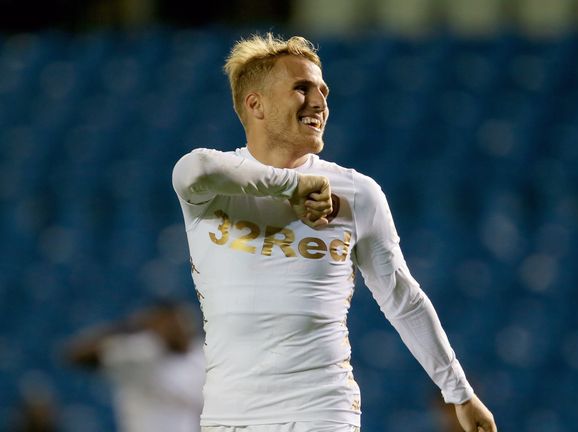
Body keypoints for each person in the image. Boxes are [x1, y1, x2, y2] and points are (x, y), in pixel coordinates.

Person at [171, 33, 497, 432]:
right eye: (301, 88)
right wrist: (292, 186)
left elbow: (402, 299)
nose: (320, 102)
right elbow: (194, 168)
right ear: (255, 103)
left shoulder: (357, 193)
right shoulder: (212, 184)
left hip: (322, 411)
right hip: (229, 417)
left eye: (323, 91)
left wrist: (459, 393)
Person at [65, 300, 205, 432]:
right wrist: (128, 328)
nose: (171, 328)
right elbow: (76, 355)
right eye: (164, 323)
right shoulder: (140, 352)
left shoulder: (205, 354)